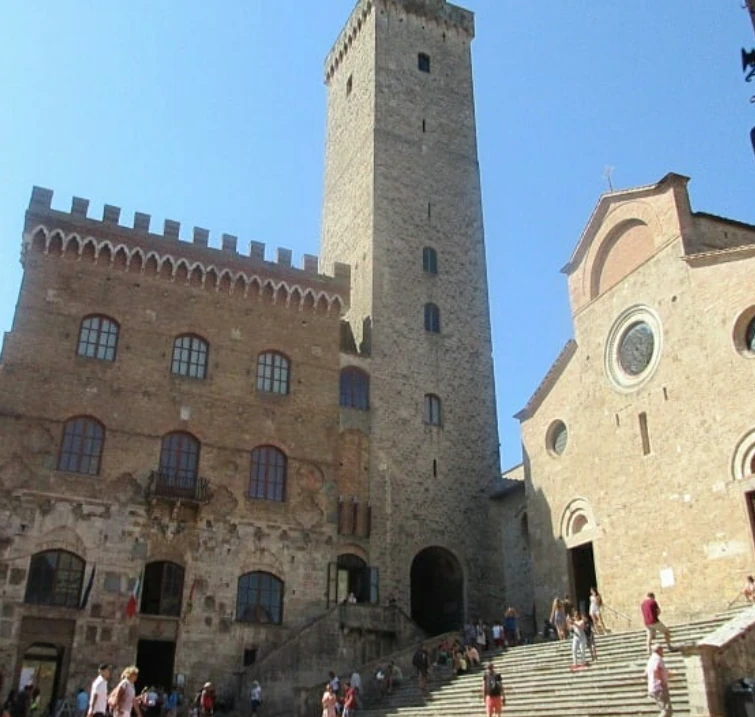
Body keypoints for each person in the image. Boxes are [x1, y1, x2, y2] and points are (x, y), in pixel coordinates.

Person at [646, 645, 672, 716]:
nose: (663, 652)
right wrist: (662, 681)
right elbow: (656, 670)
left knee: (666, 710)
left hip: (653, 687)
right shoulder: (657, 658)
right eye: (662, 650)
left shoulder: (650, 660)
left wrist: (667, 674)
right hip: (659, 687)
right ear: (659, 650)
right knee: (666, 711)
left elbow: (647, 672)